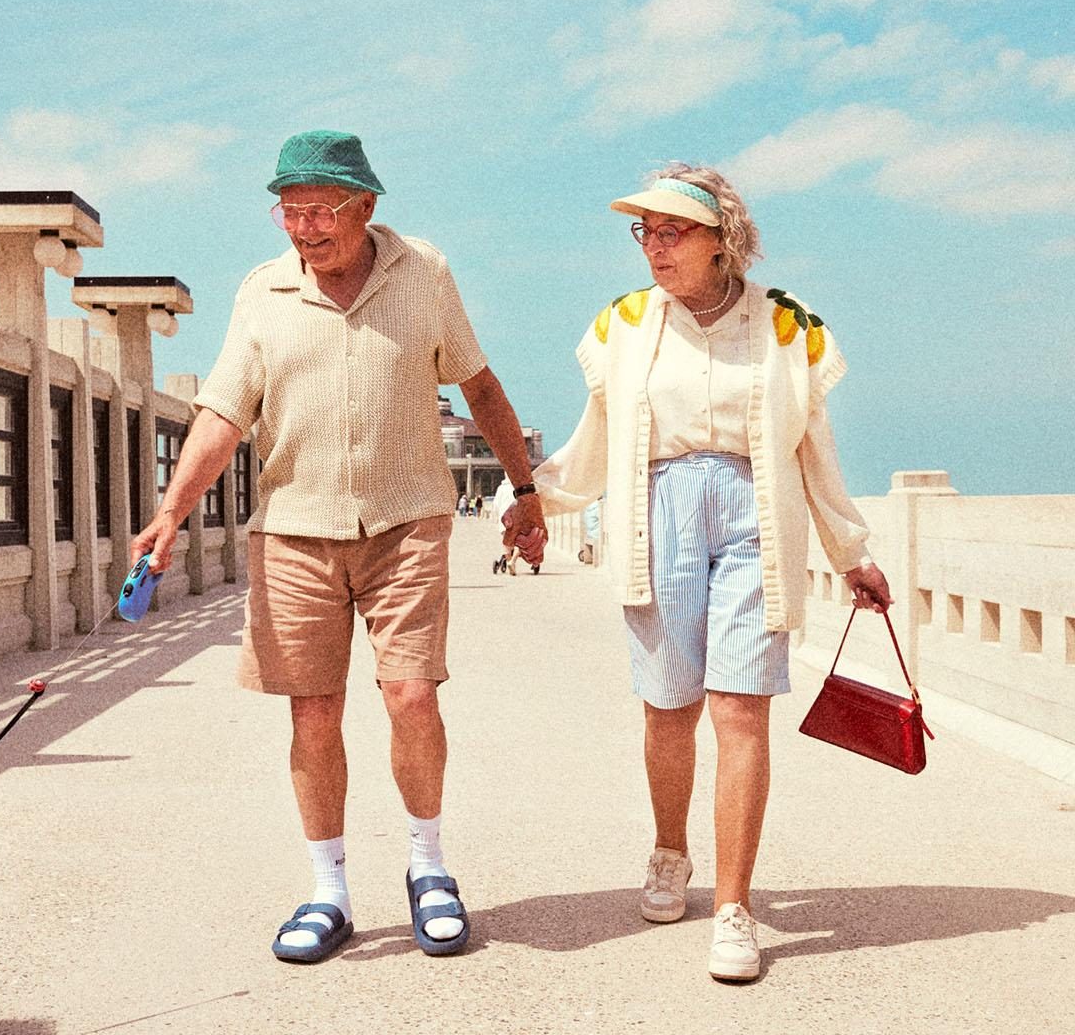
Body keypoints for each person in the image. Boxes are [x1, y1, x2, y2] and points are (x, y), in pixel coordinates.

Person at [132, 130, 546, 963]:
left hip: (407, 519)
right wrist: (172, 513)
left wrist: (526, 492)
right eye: (290, 210)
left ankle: (429, 869)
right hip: (294, 529)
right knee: (313, 709)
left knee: (411, 696)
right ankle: (329, 889)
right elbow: (222, 414)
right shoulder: (262, 292)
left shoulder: (422, 272)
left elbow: (480, 384)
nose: (304, 227)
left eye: (320, 209)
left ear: (366, 206)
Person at [534, 162, 890, 983]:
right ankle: (669, 851)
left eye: (671, 231)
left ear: (721, 238)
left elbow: (814, 447)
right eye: (644, 231)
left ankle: (734, 906)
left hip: (755, 510)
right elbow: (599, 434)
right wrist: (537, 501)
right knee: (669, 704)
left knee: (741, 710)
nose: (653, 247)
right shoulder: (624, 323)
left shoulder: (786, 325)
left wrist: (852, 551)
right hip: (659, 508)